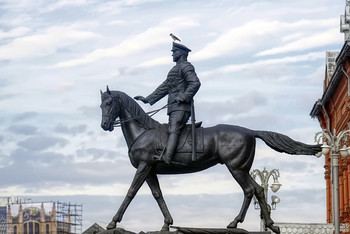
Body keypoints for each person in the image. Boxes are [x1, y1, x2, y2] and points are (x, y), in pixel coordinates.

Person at [134, 42, 201, 164]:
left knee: (173, 129)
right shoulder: (175, 69)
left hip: (181, 107)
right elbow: (164, 87)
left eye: (174, 52)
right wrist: (148, 99)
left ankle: (168, 157)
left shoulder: (186, 67)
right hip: (174, 107)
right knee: (172, 129)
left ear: (180, 53)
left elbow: (195, 83)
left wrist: (185, 96)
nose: (172, 55)